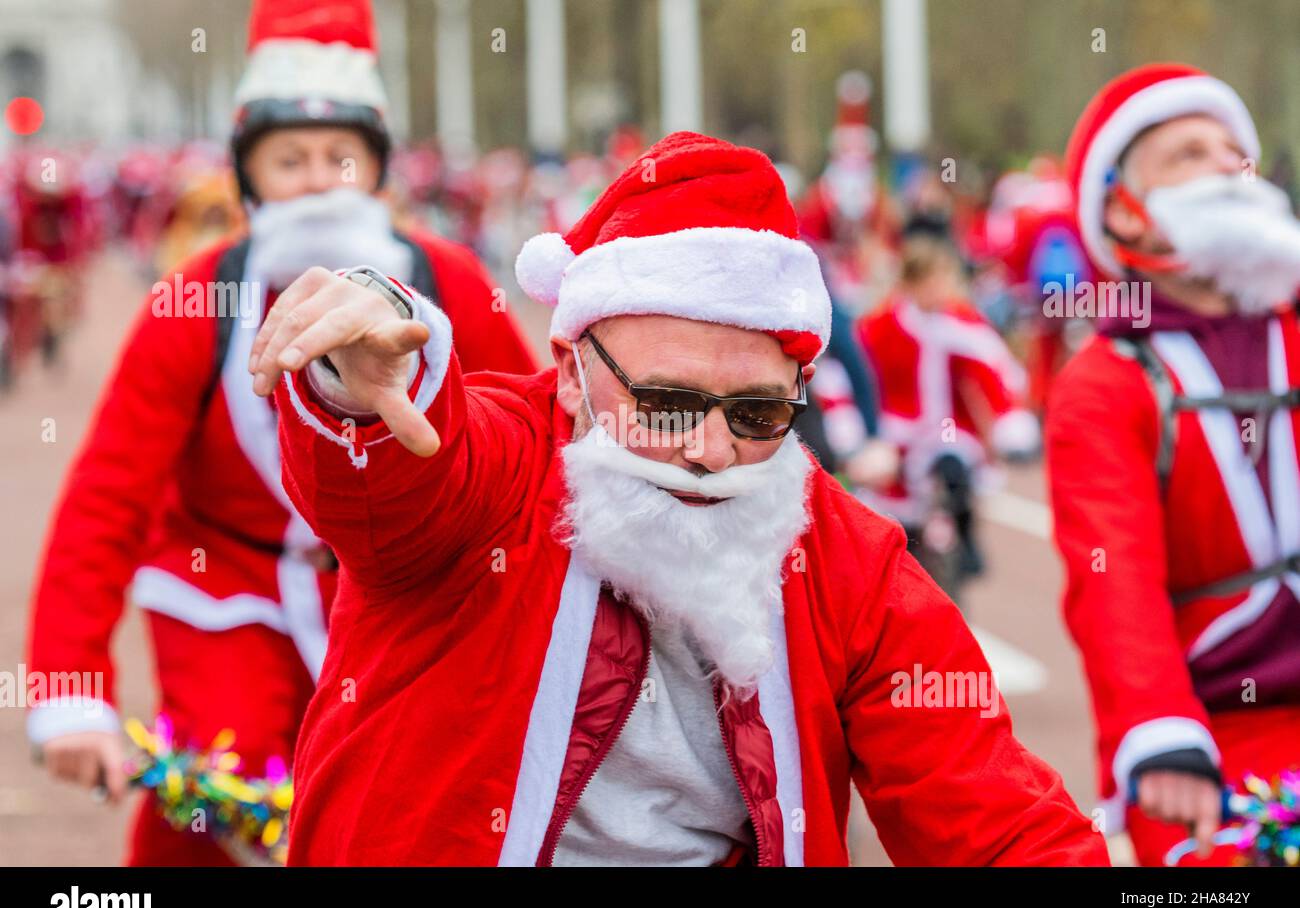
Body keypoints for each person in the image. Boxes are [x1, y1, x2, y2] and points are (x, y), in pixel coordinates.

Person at [253, 131, 1108, 866]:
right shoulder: (502, 468)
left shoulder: (850, 562)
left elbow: (993, 816)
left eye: (758, 412)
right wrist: (354, 388)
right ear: (572, 369)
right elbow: (396, 488)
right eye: (665, 405)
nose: (709, 451)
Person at [25, 0, 536, 866]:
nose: (317, 180)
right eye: (288, 159)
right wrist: (70, 688)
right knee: (228, 782)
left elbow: (534, 431)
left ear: (375, 168)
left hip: (403, 592)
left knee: (417, 794)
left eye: (340, 156)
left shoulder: (445, 278)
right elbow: (107, 496)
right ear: (249, 176)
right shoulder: (193, 299)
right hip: (227, 588)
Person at [1049, 63, 1300, 865]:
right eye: (1190, 153)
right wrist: (1159, 733)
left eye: (1235, 150)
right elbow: (1111, 576)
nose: (1229, 165)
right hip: (1207, 735)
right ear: (1122, 203)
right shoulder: (1105, 380)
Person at [857, 235, 1040, 593]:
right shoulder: (881, 326)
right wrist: (864, 432)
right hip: (896, 433)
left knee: (955, 470)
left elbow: (992, 368)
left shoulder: (960, 321)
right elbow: (860, 378)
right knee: (892, 516)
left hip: (947, 430)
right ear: (911, 284)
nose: (939, 290)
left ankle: (966, 535)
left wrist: (1007, 418)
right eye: (930, 281)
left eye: (944, 280)